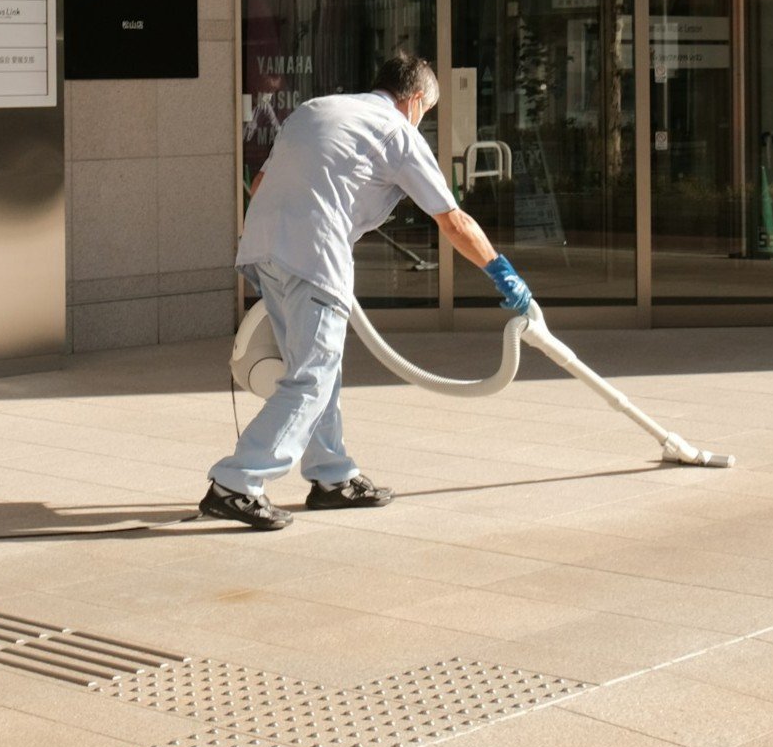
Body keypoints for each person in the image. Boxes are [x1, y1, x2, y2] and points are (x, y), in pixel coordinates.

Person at [200, 52, 532, 530]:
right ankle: (237, 482)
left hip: (264, 248)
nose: (421, 120)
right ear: (414, 100)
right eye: (426, 111)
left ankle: (332, 475)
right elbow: (452, 220)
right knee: (312, 377)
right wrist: (501, 271)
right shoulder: (396, 132)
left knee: (316, 369)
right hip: (314, 254)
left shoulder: (316, 109)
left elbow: (261, 182)